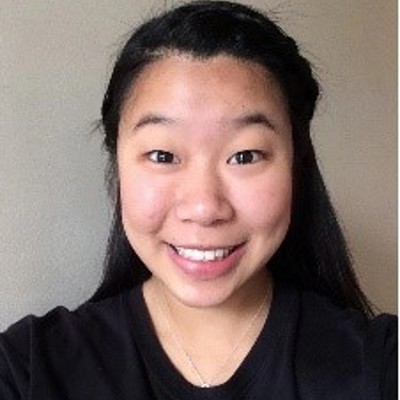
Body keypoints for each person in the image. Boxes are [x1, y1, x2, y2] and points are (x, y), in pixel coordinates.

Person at [0, 1, 396, 399]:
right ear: (118, 166)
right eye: (162, 156)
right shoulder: (27, 371)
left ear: (296, 164)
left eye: (245, 156)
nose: (204, 208)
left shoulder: (380, 368)